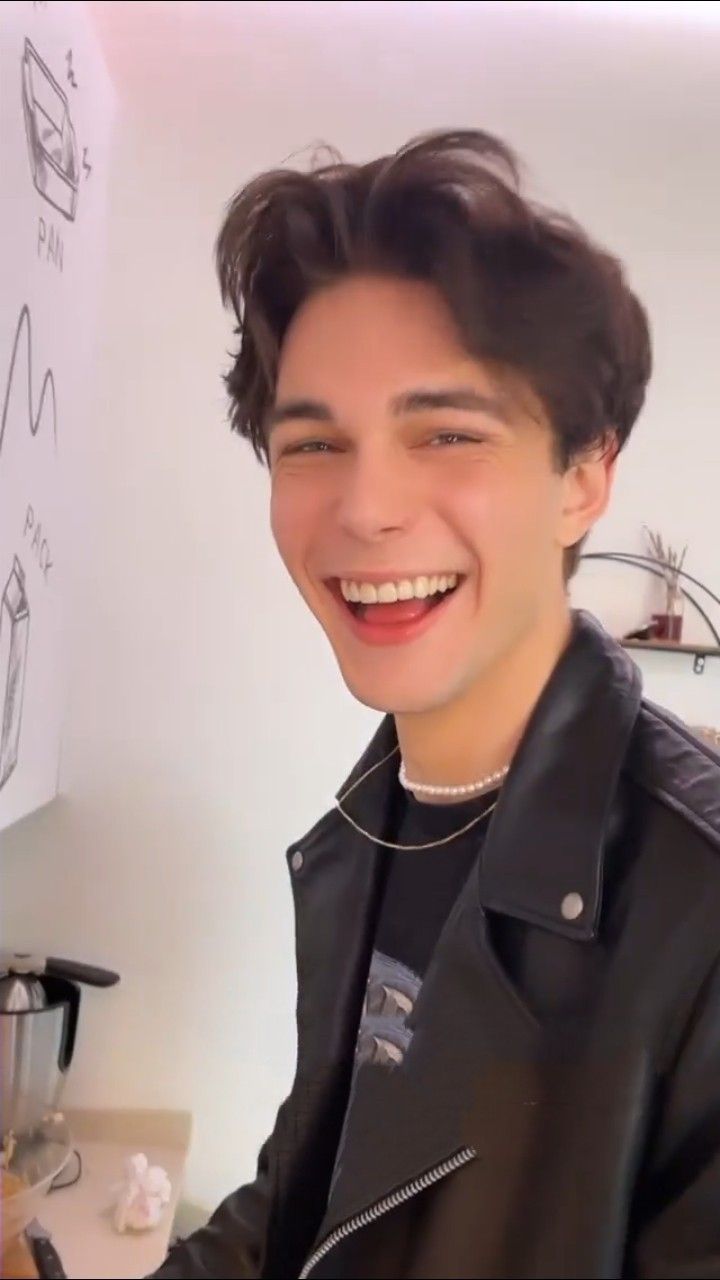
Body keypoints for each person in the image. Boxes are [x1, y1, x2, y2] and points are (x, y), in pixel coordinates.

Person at [150, 130, 720, 1279]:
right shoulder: (370, 826)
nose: (365, 507)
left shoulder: (700, 904)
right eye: (313, 442)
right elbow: (314, 1196)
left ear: (583, 476)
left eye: (447, 432)